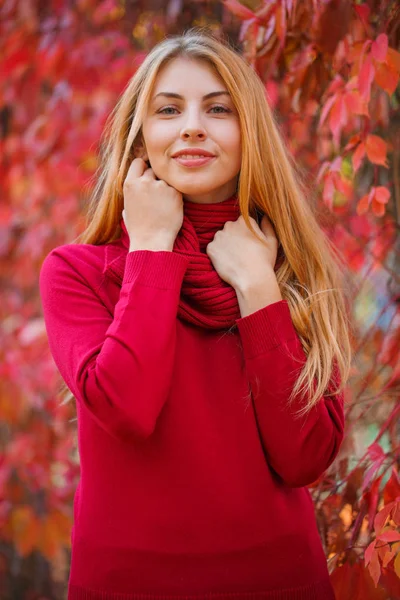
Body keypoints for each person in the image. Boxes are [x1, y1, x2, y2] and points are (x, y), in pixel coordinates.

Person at [39, 27, 352, 600]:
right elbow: (127, 408)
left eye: (217, 108)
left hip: (280, 582)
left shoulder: (292, 270)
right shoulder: (77, 273)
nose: (192, 126)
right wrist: (152, 248)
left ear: (249, 132)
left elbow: (305, 456)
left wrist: (259, 289)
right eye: (168, 109)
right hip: (127, 585)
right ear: (140, 138)